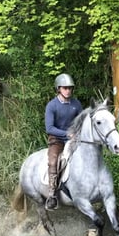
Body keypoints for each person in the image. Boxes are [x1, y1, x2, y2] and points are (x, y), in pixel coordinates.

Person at [44, 73, 83, 209]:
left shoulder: (76, 104)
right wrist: (67, 134)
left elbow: (81, 122)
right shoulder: (52, 106)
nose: (68, 90)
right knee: (53, 160)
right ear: (58, 88)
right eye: (65, 88)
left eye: (70, 88)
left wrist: (78, 133)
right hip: (57, 140)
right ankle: (52, 194)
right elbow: (49, 128)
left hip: (75, 139)